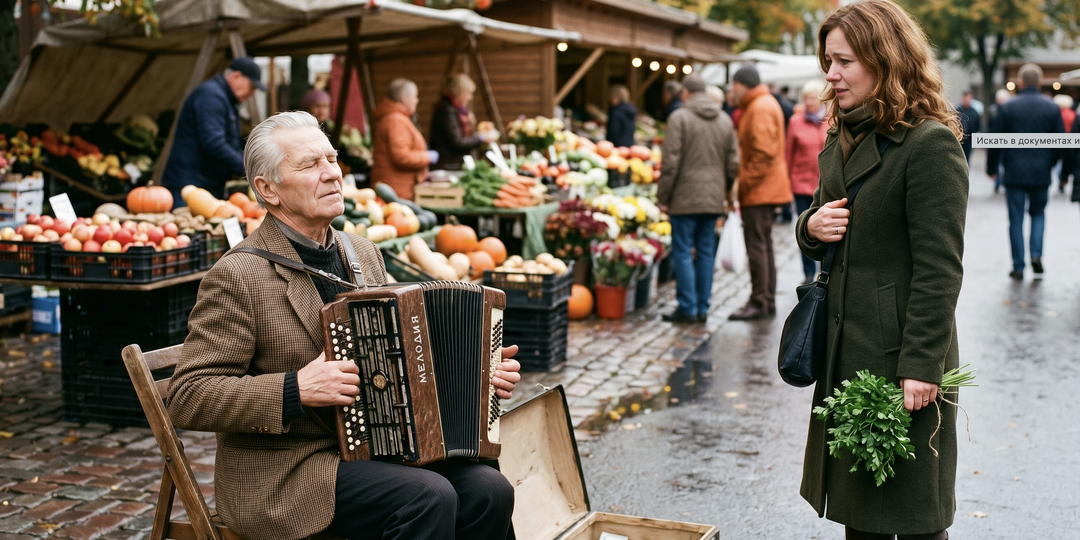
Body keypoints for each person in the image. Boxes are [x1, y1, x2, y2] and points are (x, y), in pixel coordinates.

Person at [167, 111, 521, 540]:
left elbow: (403, 352)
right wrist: (296, 389)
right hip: (290, 468)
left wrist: (479, 373)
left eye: (332, 159)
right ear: (267, 189)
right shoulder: (238, 275)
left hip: (378, 446)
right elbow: (188, 396)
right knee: (427, 496)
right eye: (309, 164)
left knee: (489, 490)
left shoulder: (361, 252)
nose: (332, 173)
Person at [797, 2, 968, 538]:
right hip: (848, 351)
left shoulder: (929, 144)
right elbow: (824, 224)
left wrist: (921, 364)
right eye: (828, 61)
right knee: (861, 516)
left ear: (885, 60)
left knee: (916, 516)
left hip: (902, 357)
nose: (831, 74)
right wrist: (810, 226)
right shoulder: (841, 134)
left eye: (844, 62)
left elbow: (940, 269)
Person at [656, 74, 739, 324]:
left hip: (684, 198)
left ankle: (687, 307)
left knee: (682, 252)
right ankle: (703, 306)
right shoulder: (724, 120)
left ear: (685, 93)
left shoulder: (679, 118)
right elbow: (733, 163)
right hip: (712, 198)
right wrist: (725, 191)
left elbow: (670, 162)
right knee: (705, 252)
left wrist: (663, 195)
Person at [986, 63, 1065, 280]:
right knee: (1038, 214)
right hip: (1041, 172)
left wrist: (992, 168)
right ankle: (1036, 254)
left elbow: (995, 141)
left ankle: (1018, 265)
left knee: (1016, 219)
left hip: (1014, 172)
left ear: (1020, 82)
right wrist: (1050, 163)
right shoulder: (1051, 107)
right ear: (1040, 82)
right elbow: (1061, 142)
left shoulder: (1008, 107)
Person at [727, 64, 792, 321]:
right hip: (765, 188)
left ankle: (760, 300)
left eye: (733, 86)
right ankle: (765, 299)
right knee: (763, 245)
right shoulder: (762, 104)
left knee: (757, 246)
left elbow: (763, 155)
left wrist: (742, 184)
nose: (732, 91)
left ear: (741, 85)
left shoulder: (759, 107)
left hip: (761, 190)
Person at [162, 57, 265, 206]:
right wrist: (248, 169)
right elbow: (214, 143)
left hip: (203, 183)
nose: (252, 94)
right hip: (191, 184)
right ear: (236, 76)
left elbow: (227, 142)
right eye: (252, 87)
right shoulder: (211, 96)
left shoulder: (224, 98)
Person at [785, 79, 829, 284]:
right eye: (806, 99)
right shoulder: (796, 121)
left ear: (821, 99)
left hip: (826, 185)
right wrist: (787, 183)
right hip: (801, 184)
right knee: (806, 229)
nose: (808, 102)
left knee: (825, 228)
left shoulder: (831, 120)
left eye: (812, 98)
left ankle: (824, 272)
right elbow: (788, 154)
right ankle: (808, 273)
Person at [372, 78, 438, 200]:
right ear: (404, 98)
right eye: (415, 96)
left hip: (397, 188)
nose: (417, 100)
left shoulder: (396, 117)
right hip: (396, 192)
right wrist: (427, 157)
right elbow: (401, 157)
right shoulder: (395, 120)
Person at [429, 74, 495, 170]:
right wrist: (480, 138)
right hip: (447, 163)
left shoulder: (458, 110)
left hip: (453, 162)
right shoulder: (447, 110)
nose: (470, 97)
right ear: (459, 92)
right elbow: (456, 142)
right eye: (468, 93)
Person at [1053, 94, 1075, 193]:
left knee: (1059, 163)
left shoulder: (1057, 115)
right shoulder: (1072, 114)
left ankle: (1061, 180)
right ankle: (1063, 180)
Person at [955, 90, 980, 164]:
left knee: (967, 158)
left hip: (970, 139)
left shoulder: (974, 112)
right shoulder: (957, 111)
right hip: (959, 139)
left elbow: (978, 125)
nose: (967, 100)